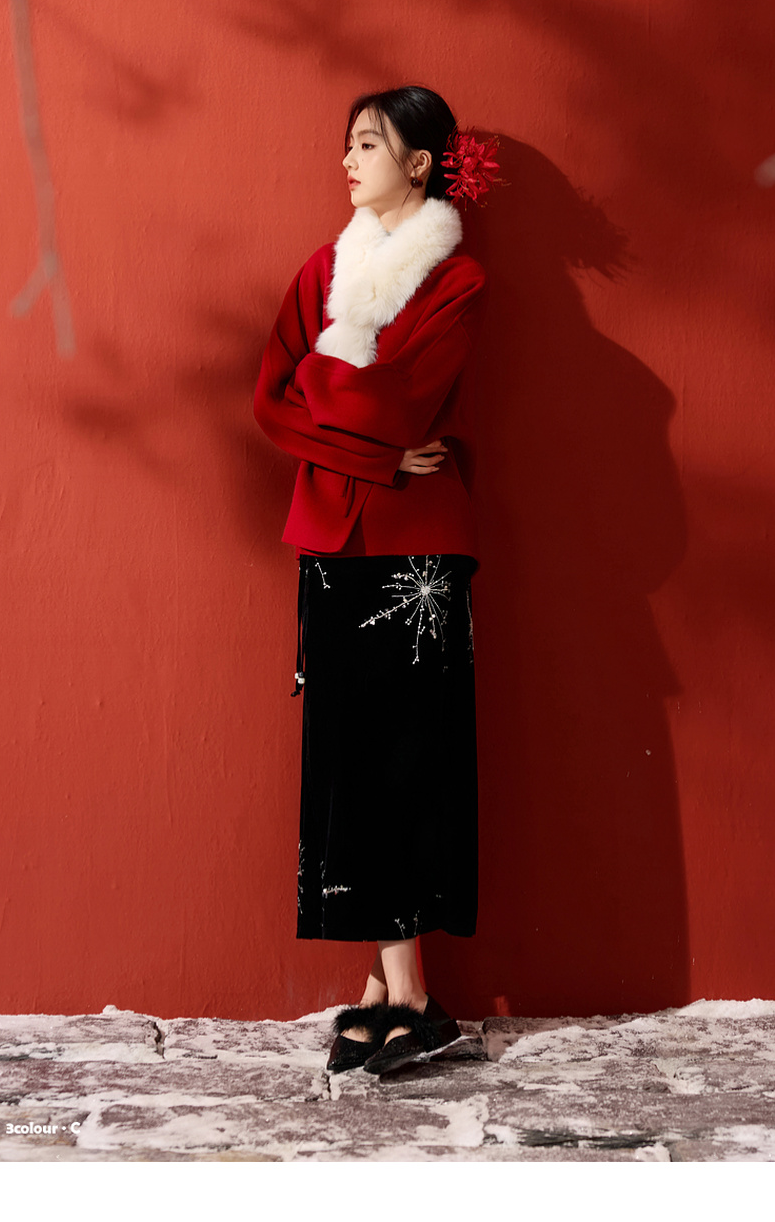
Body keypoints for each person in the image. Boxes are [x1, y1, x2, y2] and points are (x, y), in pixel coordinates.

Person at [253, 84, 498, 1075]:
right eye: (347, 144)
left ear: (422, 162)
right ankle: (394, 993)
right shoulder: (322, 268)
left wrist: (334, 395)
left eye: (367, 144)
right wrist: (378, 456)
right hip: (336, 537)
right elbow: (268, 402)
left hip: (417, 553)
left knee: (408, 758)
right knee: (350, 759)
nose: (347, 162)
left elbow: (393, 398)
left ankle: (411, 997)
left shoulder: (458, 280)